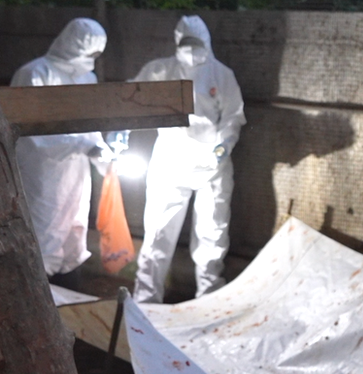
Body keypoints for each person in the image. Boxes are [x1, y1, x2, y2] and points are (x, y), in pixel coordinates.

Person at [132, 15, 246, 303]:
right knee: (158, 232)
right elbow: (130, 98)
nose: (192, 49)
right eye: (187, 43)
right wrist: (120, 130)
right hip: (171, 159)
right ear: (177, 42)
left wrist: (222, 148)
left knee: (212, 234)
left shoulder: (222, 75)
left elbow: (233, 118)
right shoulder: (159, 70)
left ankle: (209, 300)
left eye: (196, 43)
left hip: (212, 165)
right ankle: (145, 304)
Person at [12, 18, 115, 289]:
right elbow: (32, 131)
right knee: (44, 231)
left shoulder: (87, 77)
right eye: (89, 52)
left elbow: (90, 124)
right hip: (42, 174)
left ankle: (70, 297)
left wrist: (102, 152)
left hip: (76, 173)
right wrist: (83, 146)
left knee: (74, 228)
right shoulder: (35, 74)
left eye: (97, 54)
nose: (92, 59)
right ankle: (39, 296)